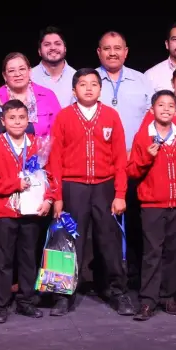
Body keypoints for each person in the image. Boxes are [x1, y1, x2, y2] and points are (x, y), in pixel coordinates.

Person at [47, 68, 133, 316]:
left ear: (100, 89)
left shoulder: (111, 116)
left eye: (93, 84)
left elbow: (119, 158)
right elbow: (55, 159)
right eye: (82, 84)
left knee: (109, 241)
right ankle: (62, 294)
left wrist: (120, 193)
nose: (88, 88)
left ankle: (117, 291)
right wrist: (58, 196)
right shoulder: (64, 117)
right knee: (68, 240)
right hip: (73, 187)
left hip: (104, 187)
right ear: (74, 90)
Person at [0, 100, 56, 323]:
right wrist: (14, 184)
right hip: (4, 211)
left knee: (28, 258)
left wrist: (48, 199)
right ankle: (1, 304)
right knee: (3, 260)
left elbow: (49, 177)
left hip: (32, 212)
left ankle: (26, 301)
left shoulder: (36, 145)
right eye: (12, 118)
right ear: (3, 121)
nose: (17, 122)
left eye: (21, 118)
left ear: (28, 120)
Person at [127, 90, 176, 321]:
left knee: (172, 252)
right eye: (161, 105)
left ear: (175, 111)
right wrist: (147, 157)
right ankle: (148, 300)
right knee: (152, 253)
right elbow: (132, 171)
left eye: (170, 105)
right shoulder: (143, 137)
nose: (166, 109)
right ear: (152, 110)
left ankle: (168, 296)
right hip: (152, 206)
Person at [96, 30, 153, 289]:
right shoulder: (90, 80)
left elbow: (152, 121)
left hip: (136, 164)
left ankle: (134, 275)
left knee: (135, 222)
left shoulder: (141, 81)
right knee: (103, 225)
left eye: (117, 47)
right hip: (101, 167)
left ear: (126, 51)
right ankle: (104, 278)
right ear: (99, 52)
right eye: (107, 48)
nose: (112, 53)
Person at [0, 52, 62, 138]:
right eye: (11, 71)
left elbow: (60, 130)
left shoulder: (47, 95)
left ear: (29, 71)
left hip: (44, 150)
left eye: (22, 69)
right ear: (4, 76)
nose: (17, 74)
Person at [30, 27, 77, 107]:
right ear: (39, 51)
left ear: (65, 49)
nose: (53, 48)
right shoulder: (29, 77)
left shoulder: (76, 77)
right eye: (47, 44)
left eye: (58, 44)